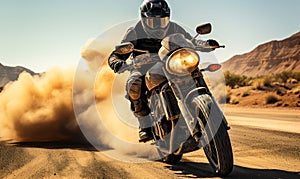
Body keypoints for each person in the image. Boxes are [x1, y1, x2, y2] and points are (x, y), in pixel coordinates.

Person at [108, 0, 219, 142]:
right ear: (143, 19)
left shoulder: (174, 27)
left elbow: (191, 41)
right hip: (143, 67)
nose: (158, 25)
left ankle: (214, 115)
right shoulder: (135, 31)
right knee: (133, 84)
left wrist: (205, 44)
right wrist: (118, 63)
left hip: (171, 62)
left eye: (162, 21)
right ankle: (145, 124)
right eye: (153, 22)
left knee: (193, 69)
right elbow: (116, 54)